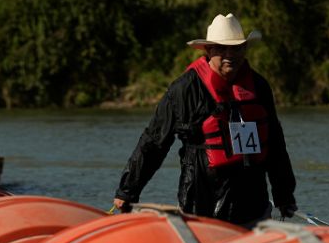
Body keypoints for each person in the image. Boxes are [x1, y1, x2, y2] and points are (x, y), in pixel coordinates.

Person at [111, 13, 297, 226]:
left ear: (245, 49)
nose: (230, 54)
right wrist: (127, 191)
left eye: (236, 48)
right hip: (201, 205)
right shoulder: (184, 90)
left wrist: (284, 195)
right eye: (221, 48)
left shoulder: (259, 87)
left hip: (252, 205)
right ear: (208, 50)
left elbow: (275, 144)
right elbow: (154, 142)